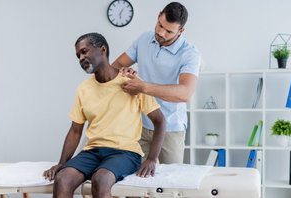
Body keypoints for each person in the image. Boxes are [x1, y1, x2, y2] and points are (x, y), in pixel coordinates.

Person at [43, 33, 165, 198]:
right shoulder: (83, 89)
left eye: (84, 51)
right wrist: (62, 163)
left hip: (125, 152)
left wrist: (152, 159)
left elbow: (159, 121)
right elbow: (75, 131)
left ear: (102, 50)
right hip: (92, 152)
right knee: (62, 179)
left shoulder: (130, 81)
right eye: (78, 55)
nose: (81, 58)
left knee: (100, 179)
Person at [112, 2, 201, 164]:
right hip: (140, 124)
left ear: (181, 31)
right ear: (159, 15)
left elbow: (185, 93)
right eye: (160, 25)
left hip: (171, 128)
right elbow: (115, 67)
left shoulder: (190, 54)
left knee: (169, 183)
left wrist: (142, 87)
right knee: (133, 178)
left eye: (169, 31)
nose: (161, 33)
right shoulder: (144, 39)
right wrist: (126, 74)